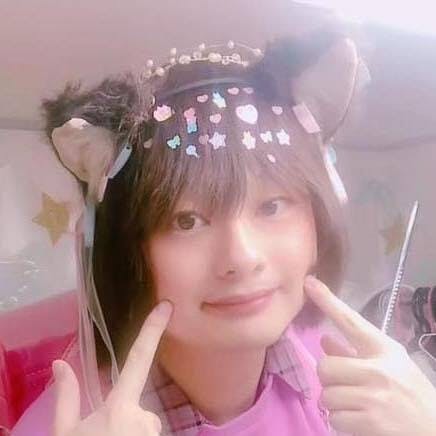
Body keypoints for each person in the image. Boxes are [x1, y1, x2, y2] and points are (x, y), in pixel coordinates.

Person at [10, 24, 436, 436]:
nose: (242, 257)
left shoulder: (348, 368)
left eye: (272, 206)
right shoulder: (66, 426)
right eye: (187, 221)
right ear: (129, 254)